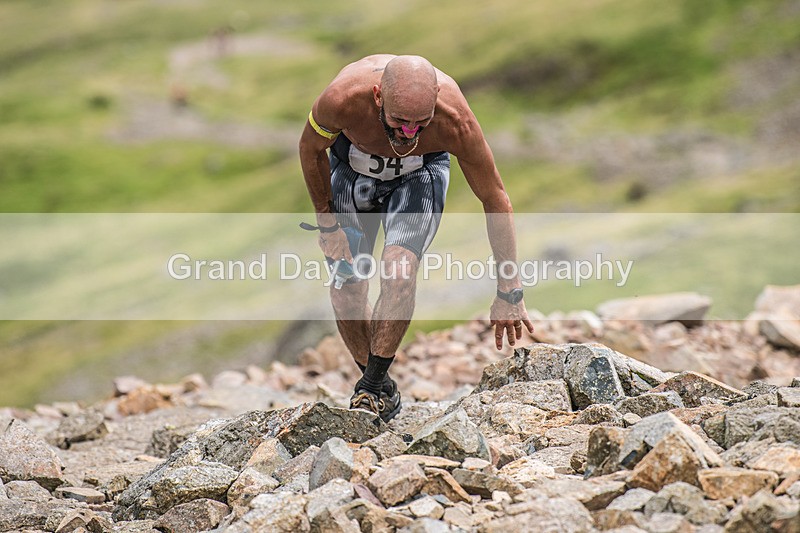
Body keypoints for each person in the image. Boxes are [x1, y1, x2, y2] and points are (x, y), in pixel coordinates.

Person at [298, 54, 534, 422]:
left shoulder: (455, 120)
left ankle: (371, 389)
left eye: (421, 123)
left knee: (399, 271)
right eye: (399, 121)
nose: (409, 132)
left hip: (418, 177)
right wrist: (327, 223)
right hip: (350, 170)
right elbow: (310, 149)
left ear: (437, 97)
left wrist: (510, 289)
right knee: (346, 286)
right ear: (378, 96)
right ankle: (377, 380)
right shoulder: (342, 98)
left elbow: (495, 197)